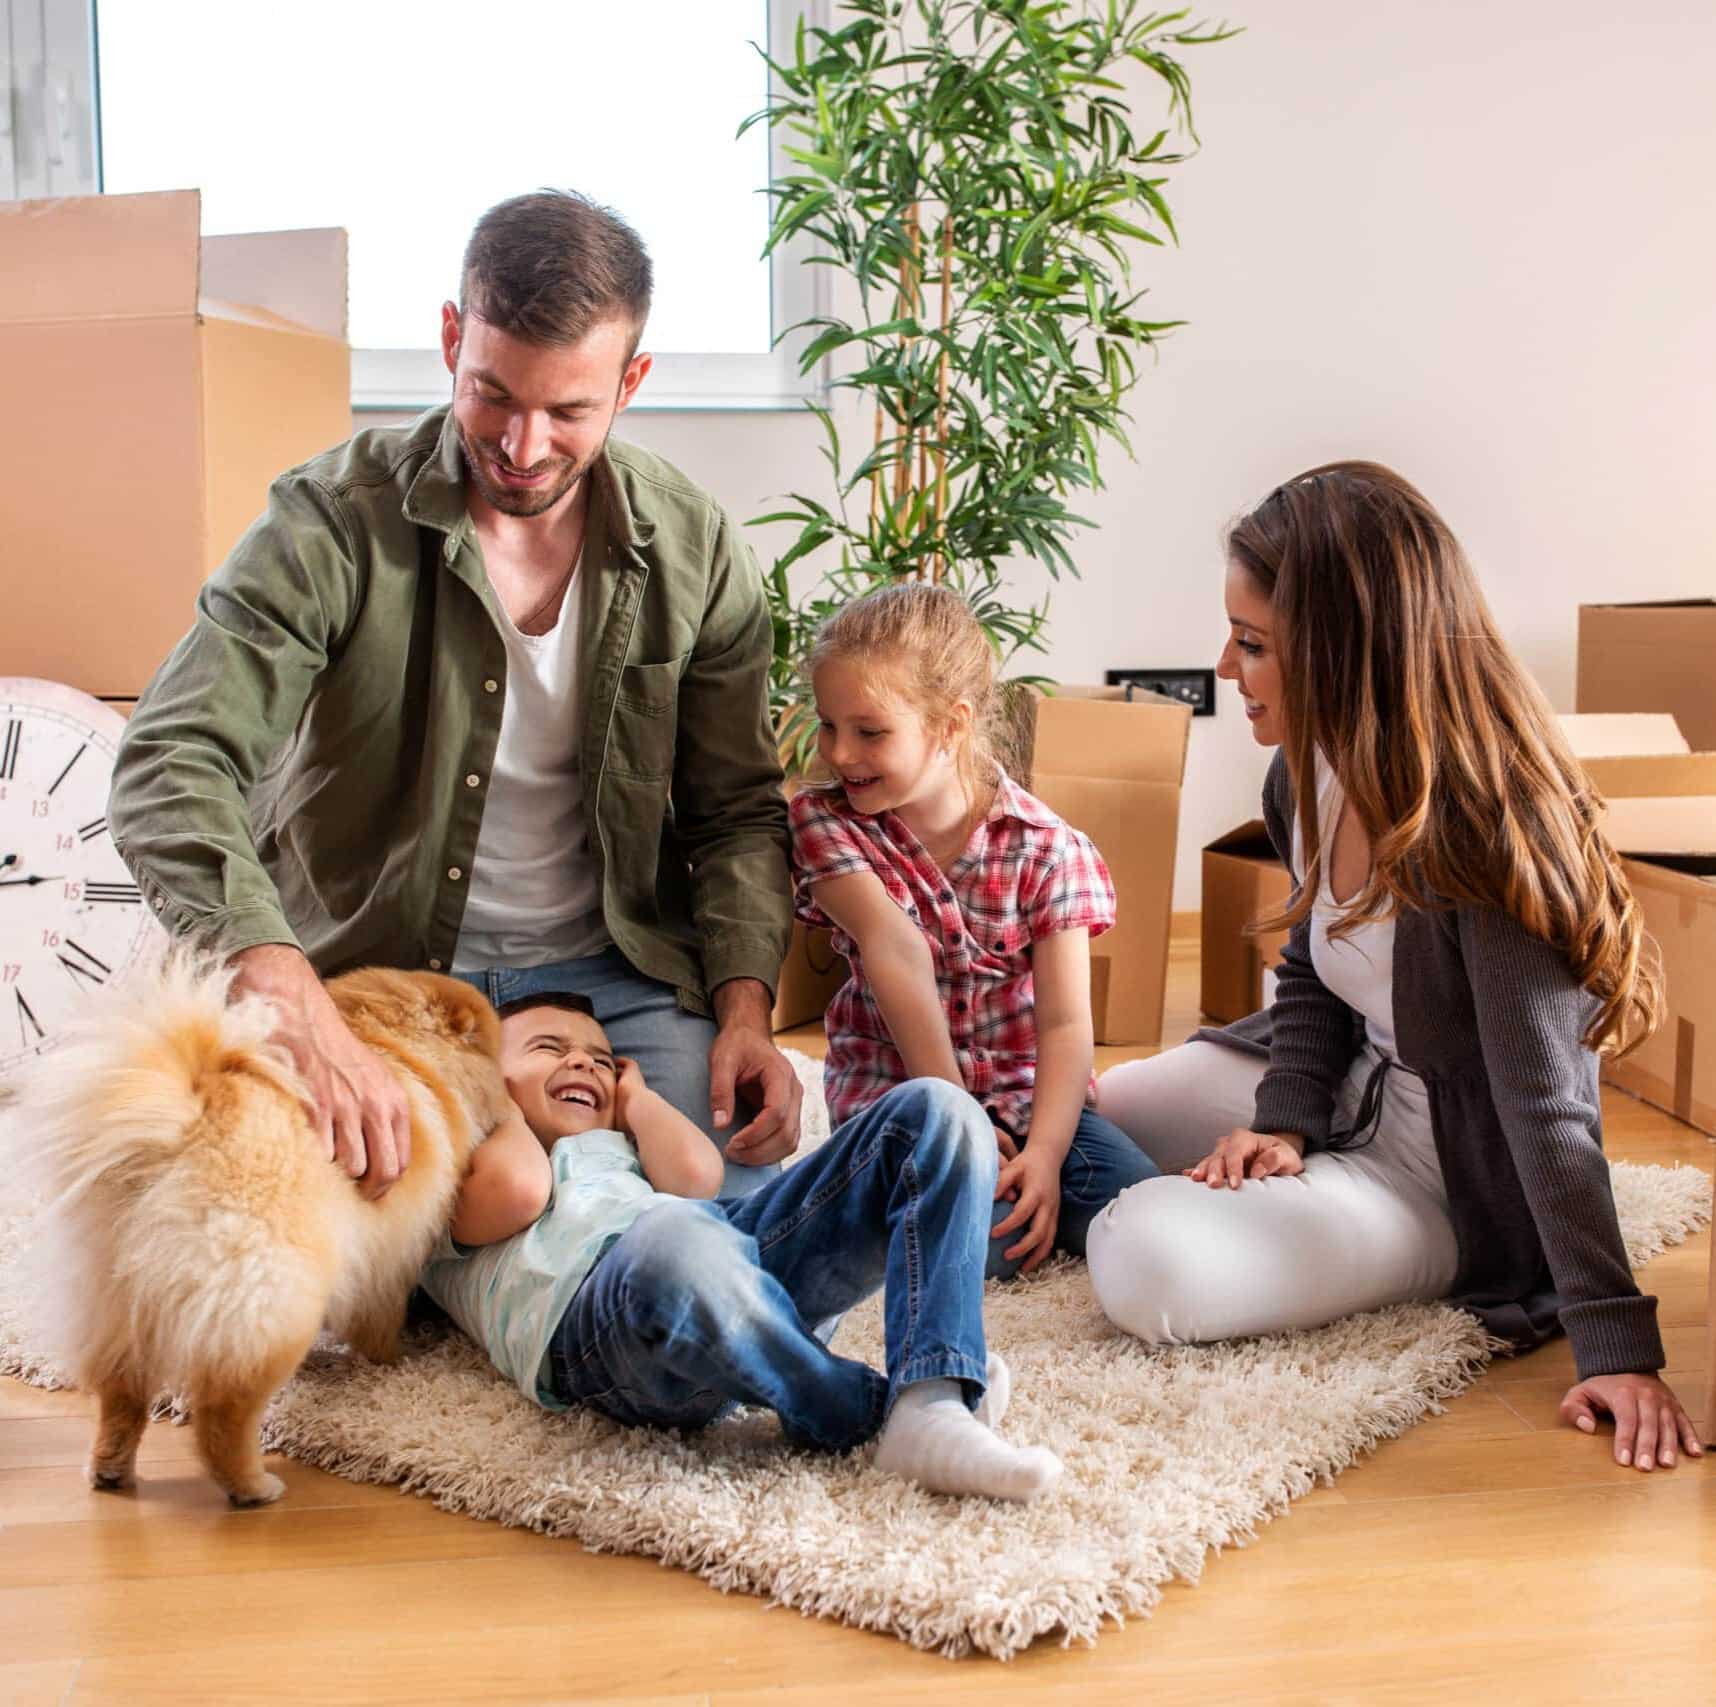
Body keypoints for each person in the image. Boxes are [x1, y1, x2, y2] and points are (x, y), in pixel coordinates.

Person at [109, 189, 800, 1198]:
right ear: (449, 339)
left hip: (611, 978)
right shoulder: (331, 521)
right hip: (380, 976)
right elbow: (172, 759)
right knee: (328, 1214)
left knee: (734, 1198)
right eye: (494, 395)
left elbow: (736, 813)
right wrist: (289, 999)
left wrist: (744, 1015)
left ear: (631, 380)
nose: (523, 448)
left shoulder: (697, 548)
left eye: (568, 411)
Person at [1088, 460, 1701, 1474]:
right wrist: (1284, 1120)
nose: (1228, 670)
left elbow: (1548, 1111)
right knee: (1088, 1106)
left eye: (1253, 646)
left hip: (1441, 1173)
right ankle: (1255, 1187)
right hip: (1345, 1088)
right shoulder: (1307, 769)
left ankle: (1208, 1220)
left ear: (1344, 654)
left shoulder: (1490, 836)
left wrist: (1616, 1344)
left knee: (1144, 1262)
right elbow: (1312, 965)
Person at [422, 987, 1063, 1502]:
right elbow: (520, 1190)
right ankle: (858, 1411)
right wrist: (479, 1091)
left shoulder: (620, 1144)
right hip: (602, 1330)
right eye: (548, 1048)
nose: (583, 1062)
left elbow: (698, 1178)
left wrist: (637, 1099)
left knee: (938, 1111)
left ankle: (934, 1397)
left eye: (599, 1057)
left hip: (720, 1268)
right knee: (676, 1237)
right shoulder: (455, 1175)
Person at [788, 583, 1157, 1279]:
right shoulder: (824, 822)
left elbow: (1065, 1025)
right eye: (828, 724)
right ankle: (882, 1207)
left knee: (1144, 1208)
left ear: (951, 725)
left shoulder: (1048, 847)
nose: (839, 752)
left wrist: (1044, 1156)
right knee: (980, 1245)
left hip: (1028, 1103)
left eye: (869, 731)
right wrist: (960, 1118)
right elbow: (893, 948)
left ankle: (1012, 1191)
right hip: (905, 1107)